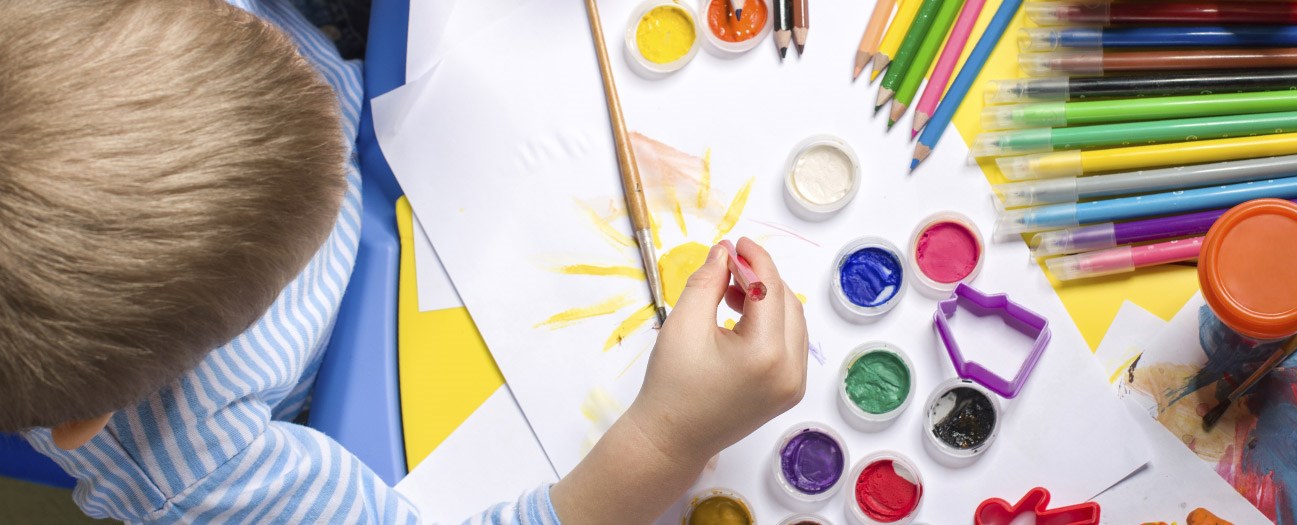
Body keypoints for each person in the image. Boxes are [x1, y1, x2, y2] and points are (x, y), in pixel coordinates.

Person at [0, 1, 809, 523]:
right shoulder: (190, 468)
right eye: (290, 255)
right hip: (377, 377)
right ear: (86, 422)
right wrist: (667, 436)